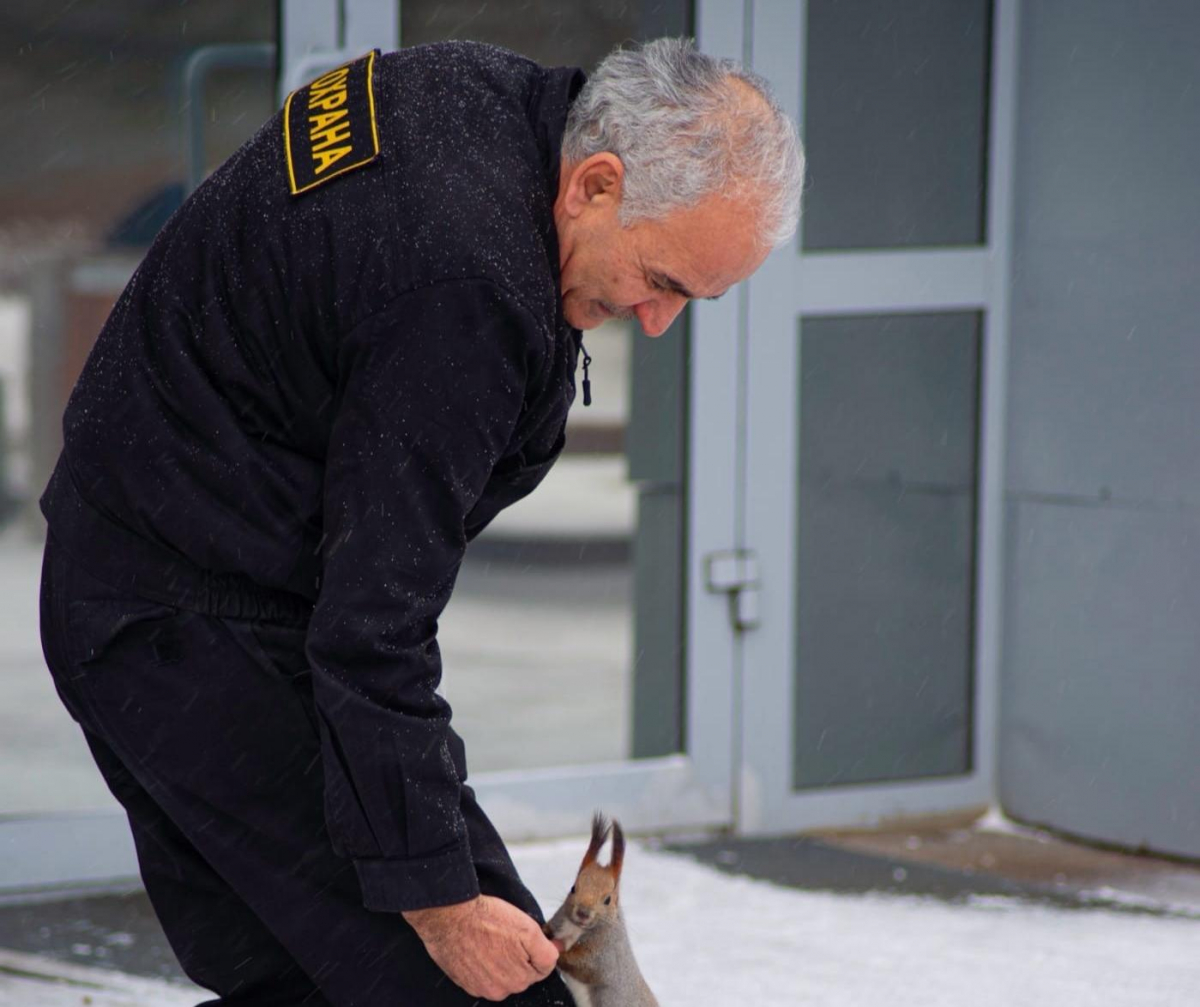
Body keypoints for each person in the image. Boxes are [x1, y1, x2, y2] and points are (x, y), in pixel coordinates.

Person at [37, 37, 803, 1006]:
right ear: (597, 185)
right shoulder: (467, 283)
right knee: (474, 990)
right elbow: (374, 625)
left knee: (311, 979)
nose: (656, 321)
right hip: (179, 615)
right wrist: (440, 899)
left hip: (179, 574)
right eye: (663, 280)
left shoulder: (488, 107)